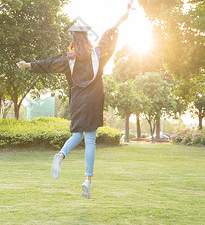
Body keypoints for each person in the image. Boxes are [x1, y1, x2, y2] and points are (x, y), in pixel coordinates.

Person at [17, 13, 128, 199]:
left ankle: (61, 154)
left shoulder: (69, 59)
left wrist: (28, 65)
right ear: (87, 40)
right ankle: (87, 180)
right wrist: (121, 20)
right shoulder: (97, 54)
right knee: (90, 140)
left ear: (74, 42)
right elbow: (107, 37)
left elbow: (49, 64)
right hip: (93, 100)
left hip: (77, 100)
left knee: (77, 135)